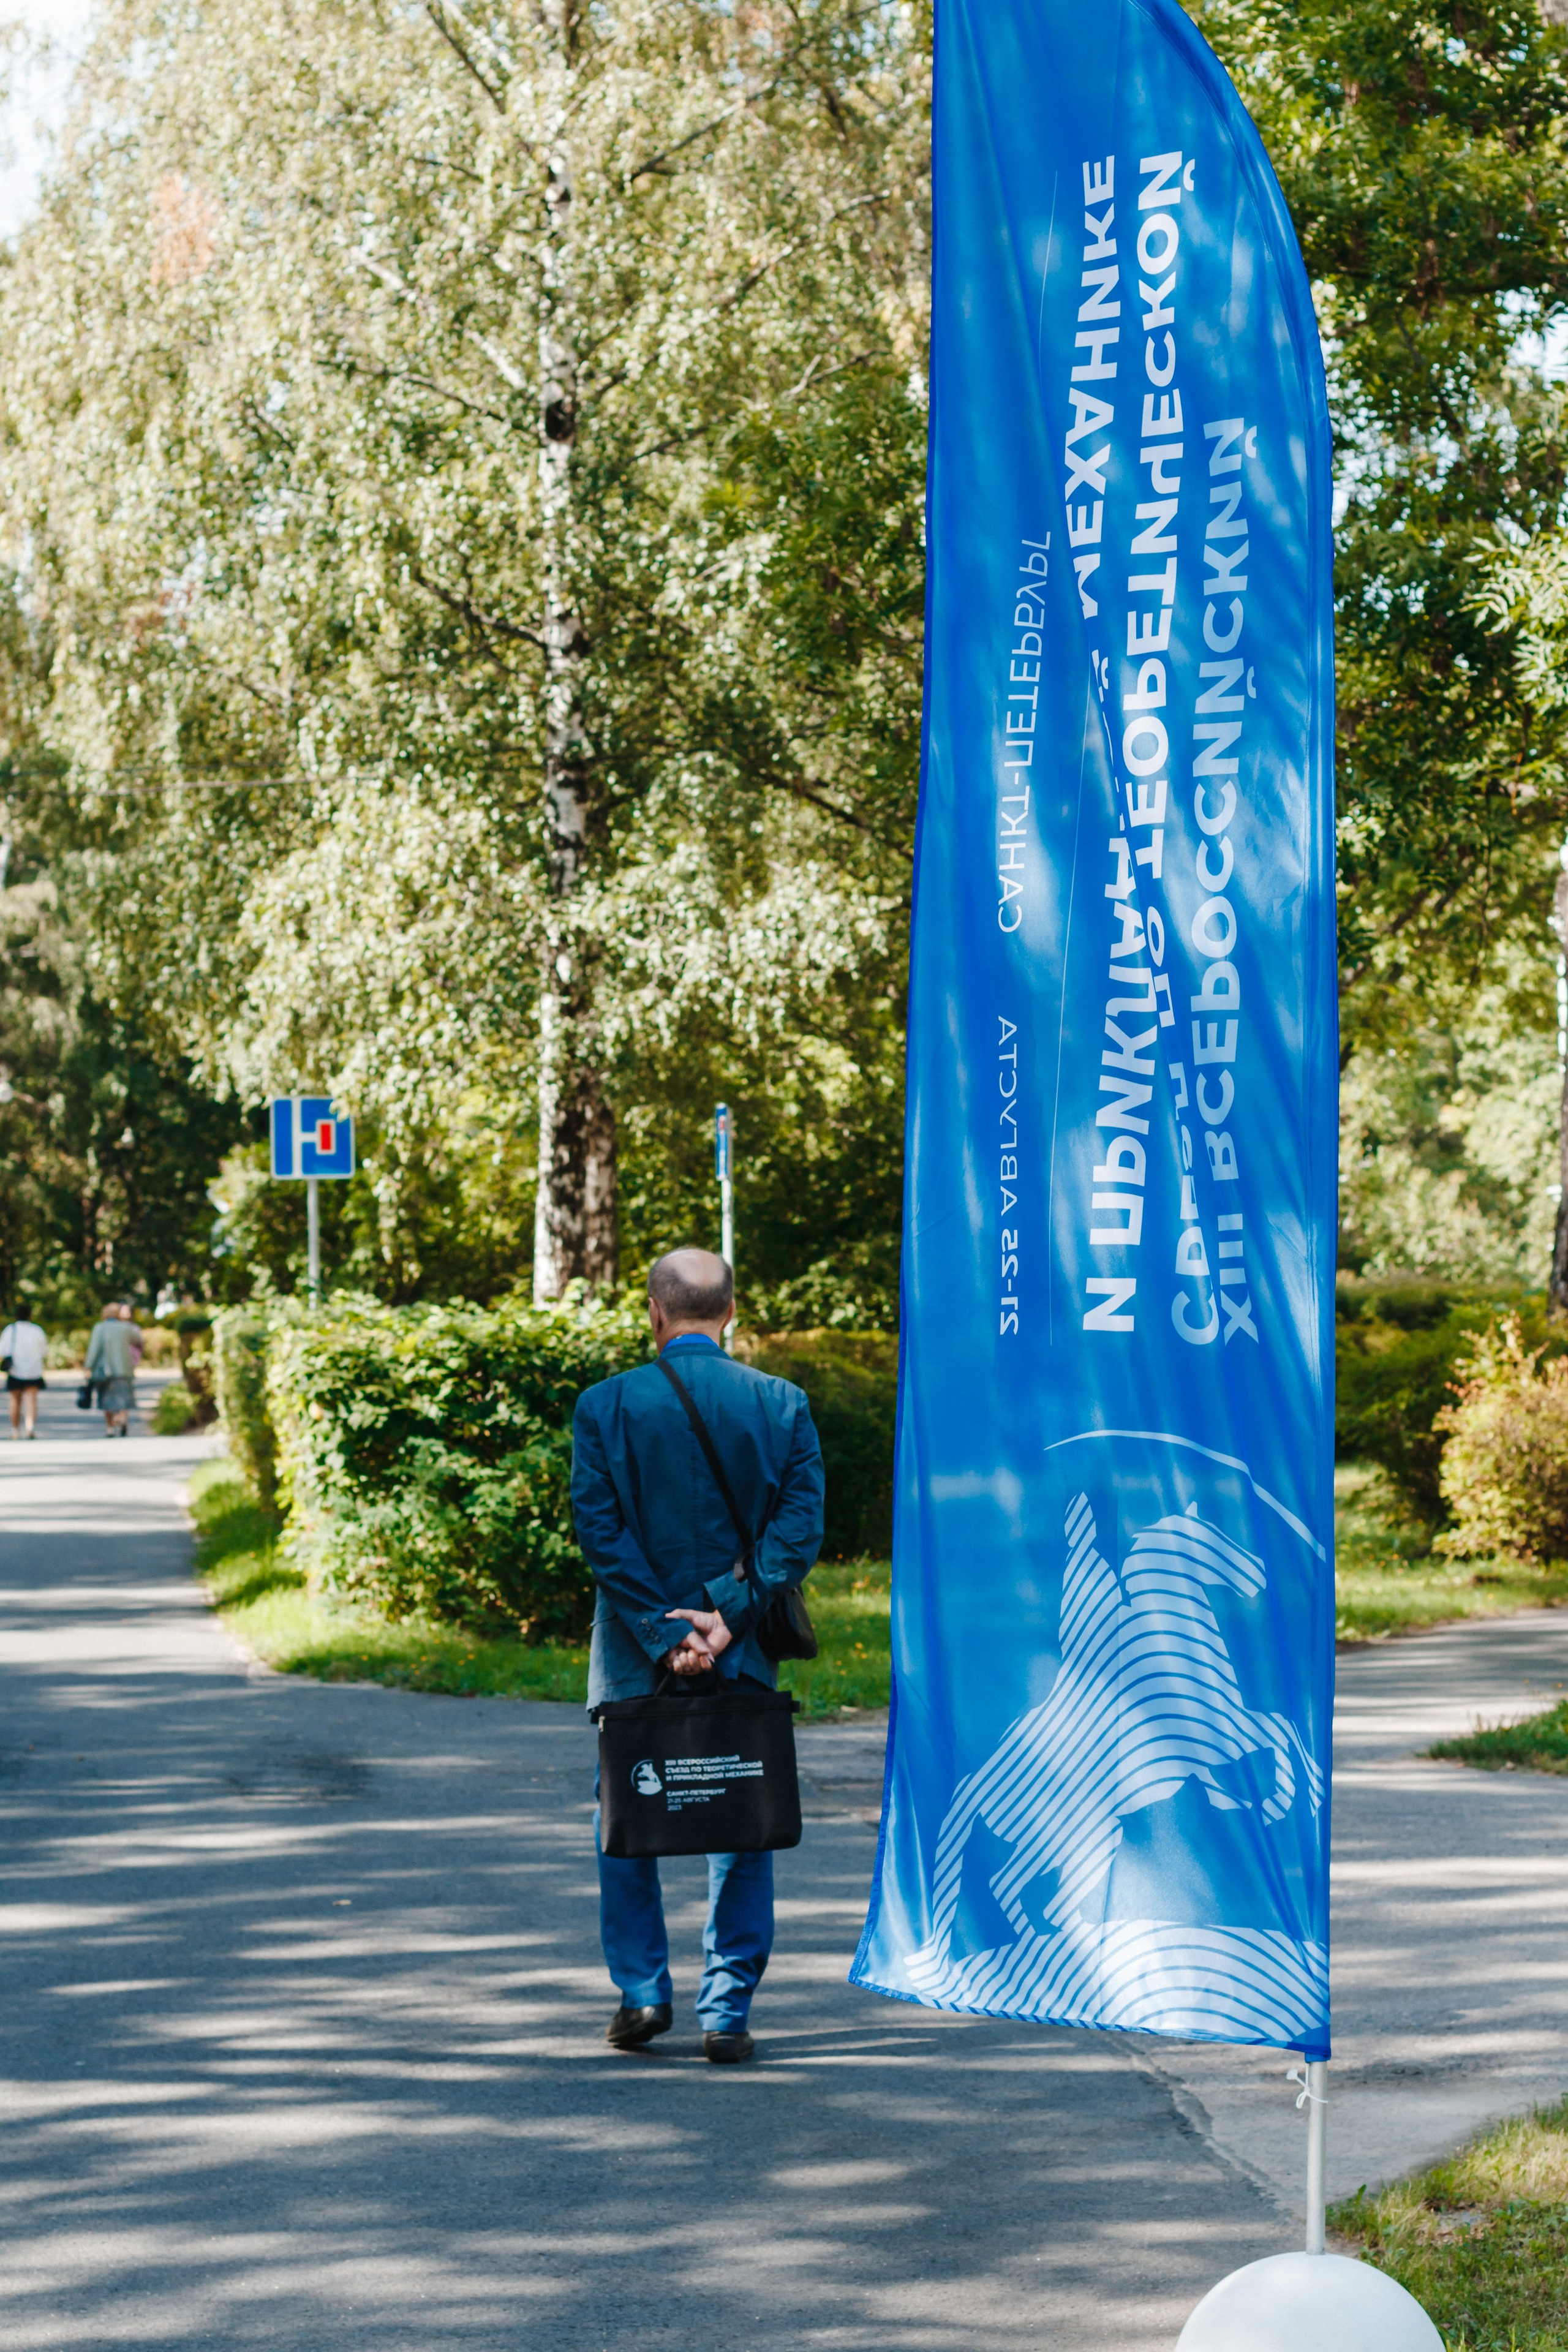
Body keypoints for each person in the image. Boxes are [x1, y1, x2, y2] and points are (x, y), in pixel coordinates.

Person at [571, 1246, 824, 2066]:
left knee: (624, 1815)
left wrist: (663, 1628)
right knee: (742, 1822)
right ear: (733, 1312)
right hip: (741, 1649)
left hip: (632, 1657)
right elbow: (799, 1529)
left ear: (653, 1312)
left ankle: (644, 1992)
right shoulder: (783, 1404)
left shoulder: (603, 1407)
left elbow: (600, 1532)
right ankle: (728, 2010)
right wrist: (723, 1614)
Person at [85, 1303, 138, 1436]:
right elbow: (138, 1340)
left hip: (105, 1371)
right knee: (123, 1397)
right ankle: (122, 1418)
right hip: (124, 1369)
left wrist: (88, 1366)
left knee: (106, 1400)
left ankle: (110, 1427)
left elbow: (94, 1349)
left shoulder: (100, 1328)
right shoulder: (125, 1328)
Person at [0, 1306, 48, 1439]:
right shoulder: (37, 1330)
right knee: (31, 1400)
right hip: (34, 1370)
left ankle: (15, 1431)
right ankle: (30, 1428)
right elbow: (44, 1351)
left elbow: (2, 1350)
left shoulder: (11, 1330)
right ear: (30, 1316)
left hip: (15, 1370)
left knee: (15, 1401)